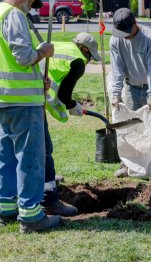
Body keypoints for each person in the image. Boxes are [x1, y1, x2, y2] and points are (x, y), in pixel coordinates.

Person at [0, 0, 60, 233]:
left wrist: (38, 81)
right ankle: (32, 216)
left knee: (7, 156)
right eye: (32, 1)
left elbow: (9, 62)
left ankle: (6, 210)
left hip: (2, 99)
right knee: (30, 157)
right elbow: (23, 57)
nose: (31, 7)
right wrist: (44, 51)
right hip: (21, 101)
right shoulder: (13, 15)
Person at [41, 33, 101, 214]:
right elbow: (64, 94)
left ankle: (42, 181)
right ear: (84, 49)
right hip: (36, 96)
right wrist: (72, 105)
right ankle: (48, 195)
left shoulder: (58, 45)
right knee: (44, 148)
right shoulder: (77, 61)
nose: (88, 60)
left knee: (37, 146)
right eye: (90, 55)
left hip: (31, 92)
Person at [109, 8, 151, 177]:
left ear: (135, 23)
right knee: (130, 126)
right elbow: (117, 69)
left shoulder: (150, 39)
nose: (124, 36)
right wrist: (116, 94)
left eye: (127, 32)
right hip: (131, 88)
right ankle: (128, 165)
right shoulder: (116, 40)